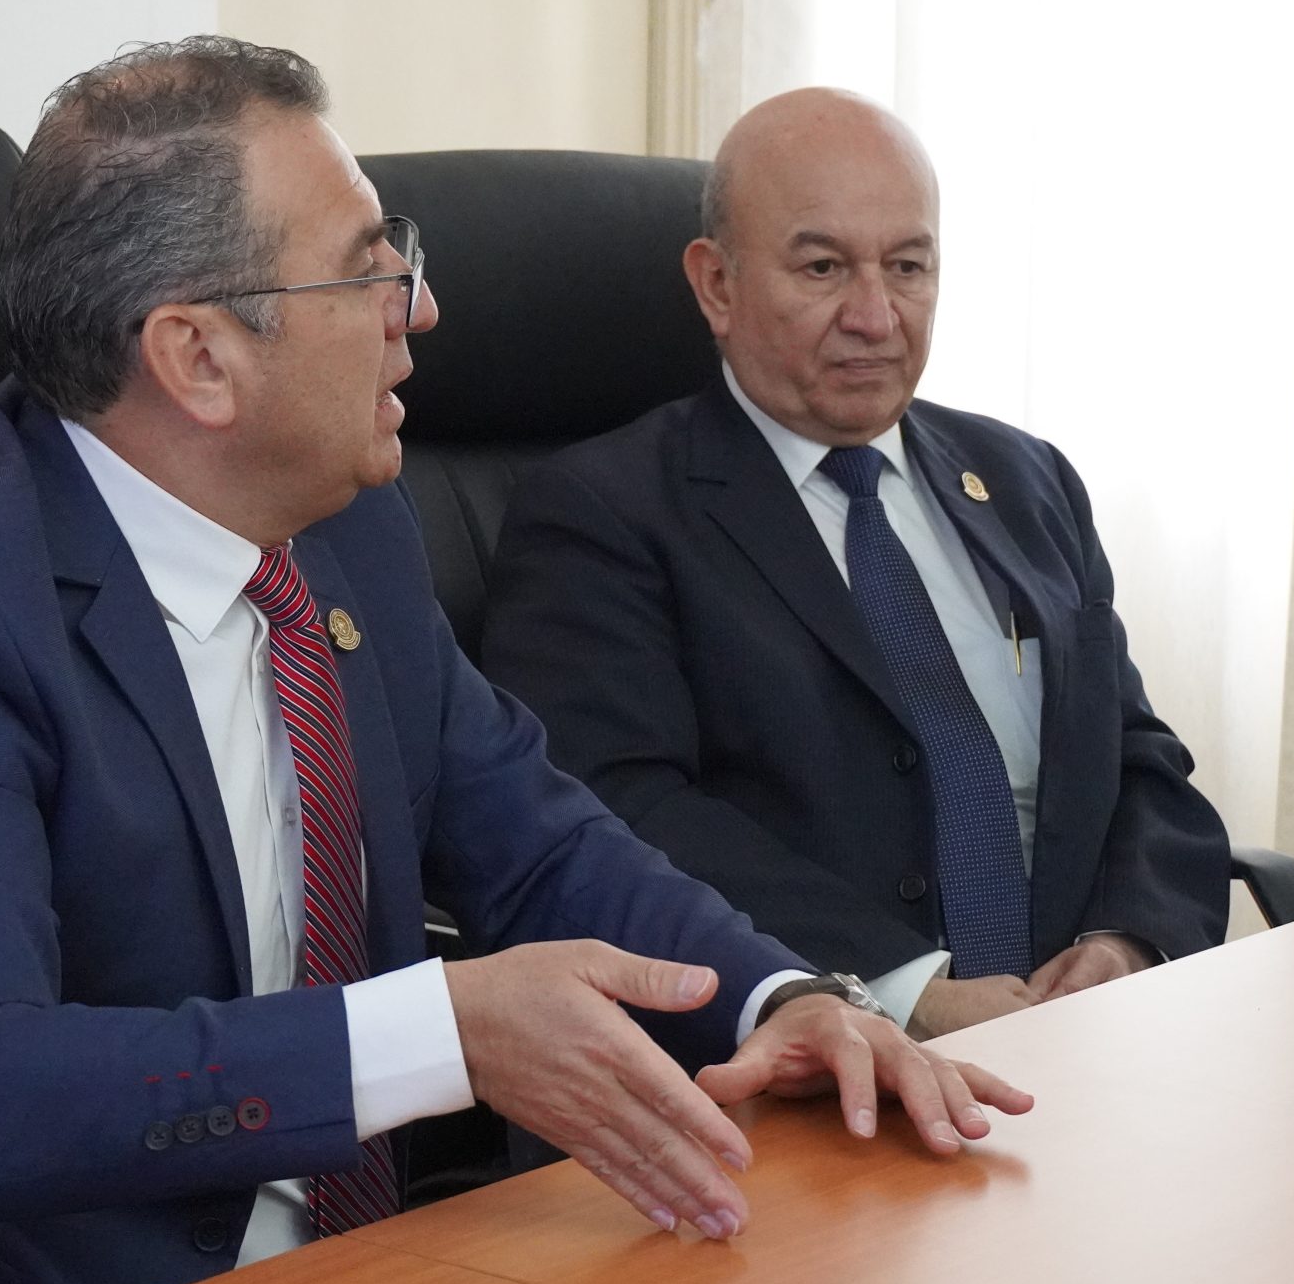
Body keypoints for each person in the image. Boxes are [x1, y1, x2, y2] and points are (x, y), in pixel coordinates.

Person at [0, 41, 1027, 1284]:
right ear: (198, 356)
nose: (420, 306)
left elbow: (541, 840)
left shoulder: (345, 531)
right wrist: (434, 1034)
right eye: (364, 270)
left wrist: (789, 1002)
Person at [483, 88, 1231, 1046]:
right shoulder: (604, 512)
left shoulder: (1027, 479)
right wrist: (903, 990)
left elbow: (1134, 754)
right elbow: (621, 812)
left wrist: (1125, 942)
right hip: (812, 1056)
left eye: (908, 266)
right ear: (717, 285)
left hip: (1079, 1039)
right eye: (824, 267)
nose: (875, 316)